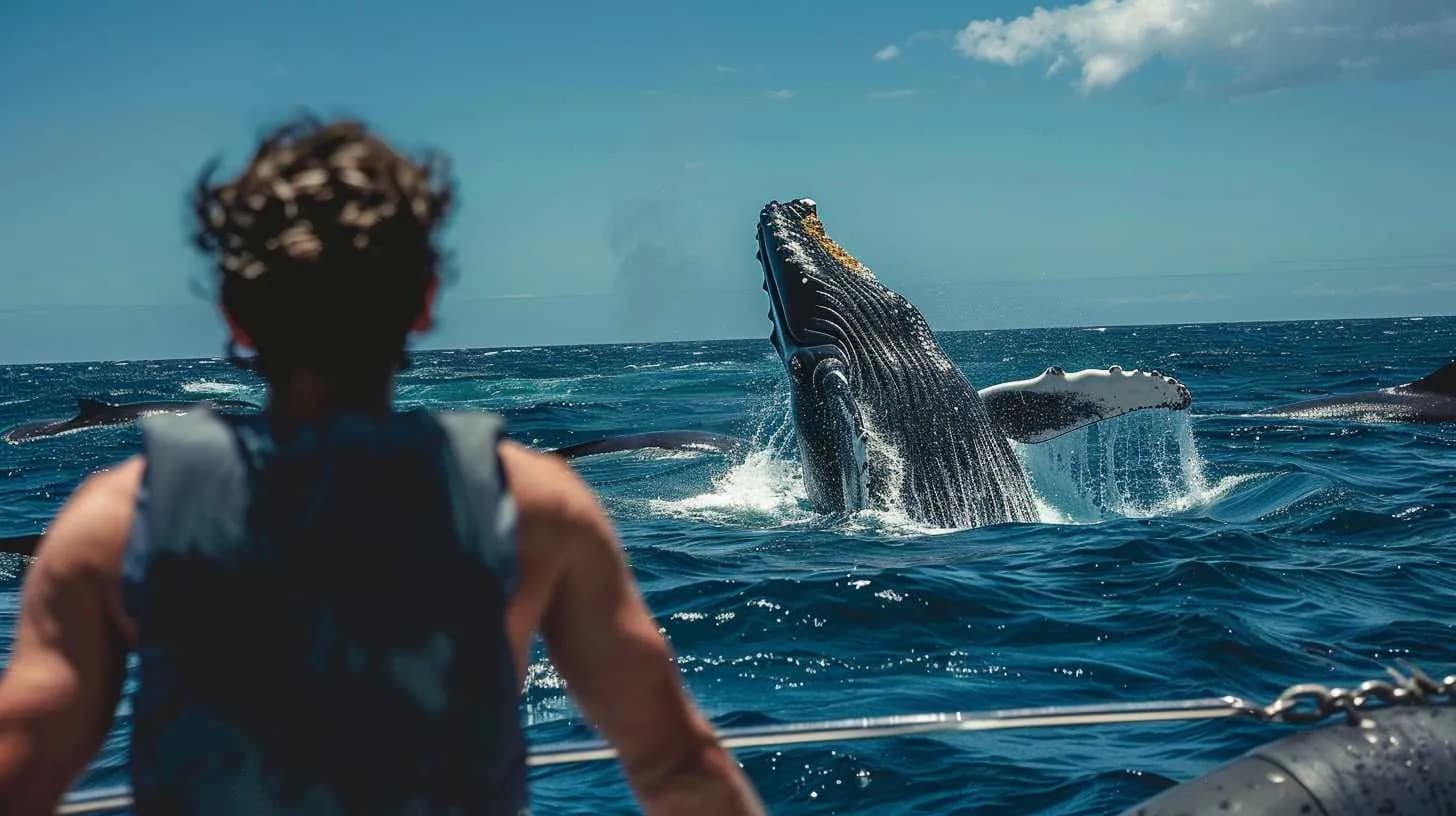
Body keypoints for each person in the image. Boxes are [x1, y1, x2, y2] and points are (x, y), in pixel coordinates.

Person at [0, 117, 765, 816]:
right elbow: (678, 769)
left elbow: (20, 772)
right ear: (426, 300)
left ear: (232, 310)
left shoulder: (119, 518)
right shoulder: (531, 507)